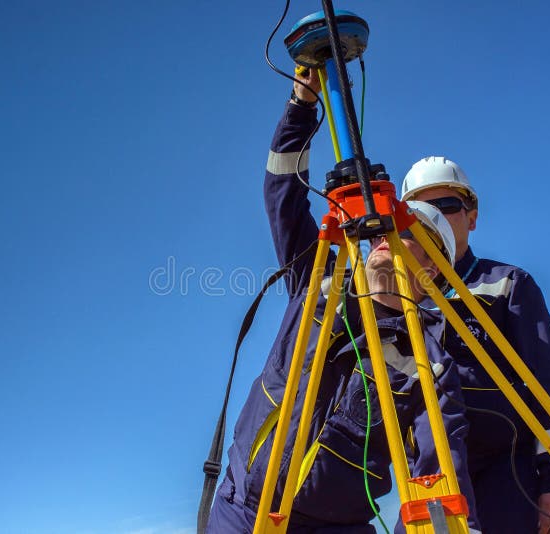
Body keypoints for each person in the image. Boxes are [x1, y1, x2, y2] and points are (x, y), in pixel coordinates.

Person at [206, 73, 482, 533]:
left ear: (431, 266)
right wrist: (301, 105)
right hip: (242, 510)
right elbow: (283, 196)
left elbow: (437, 468)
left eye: (402, 235)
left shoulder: (427, 361)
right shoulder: (318, 284)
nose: (381, 239)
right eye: (377, 232)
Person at [400, 157, 550, 534]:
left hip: (506, 469)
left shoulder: (508, 284)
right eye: (420, 209)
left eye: (446, 206)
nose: (434, 217)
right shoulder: (399, 295)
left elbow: (547, 385)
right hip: (430, 473)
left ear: (472, 216)